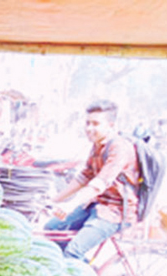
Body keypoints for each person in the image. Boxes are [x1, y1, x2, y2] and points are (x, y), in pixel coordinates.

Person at [45, 100, 139, 260]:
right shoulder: (97, 146)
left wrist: (70, 204)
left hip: (115, 212)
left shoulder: (119, 148)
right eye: (87, 123)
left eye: (95, 124)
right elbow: (84, 177)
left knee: (72, 252)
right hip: (96, 205)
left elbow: (99, 183)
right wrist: (55, 199)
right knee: (52, 229)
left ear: (110, 125)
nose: (89, 128)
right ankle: (84, 269)